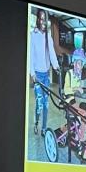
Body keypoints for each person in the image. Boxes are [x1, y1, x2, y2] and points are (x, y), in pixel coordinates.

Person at [59, 48, 86, 158]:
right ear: (74, 62)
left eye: (81, 63)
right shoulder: (69, 74)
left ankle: (79, 133)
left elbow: (80, 88)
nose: (80, 66)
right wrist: (76, 89)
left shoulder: (79, 75)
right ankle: (80, 140)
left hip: (75, 100)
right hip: (68, 101)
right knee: (82, 115)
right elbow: (66, 90)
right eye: (78, 63)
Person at [29, 8, 59, 137]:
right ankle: (36, 123)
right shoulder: (33, 35)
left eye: (44, 19)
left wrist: (56, 67)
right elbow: (30, 55)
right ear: (37, 20)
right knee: (39, 105)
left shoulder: (48, 37)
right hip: (37, 75)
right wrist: (32, 74)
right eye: (40, 18)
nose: (42, 21)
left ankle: (44, 128)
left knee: (46, 105)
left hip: (46, 75)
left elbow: (52, 53)